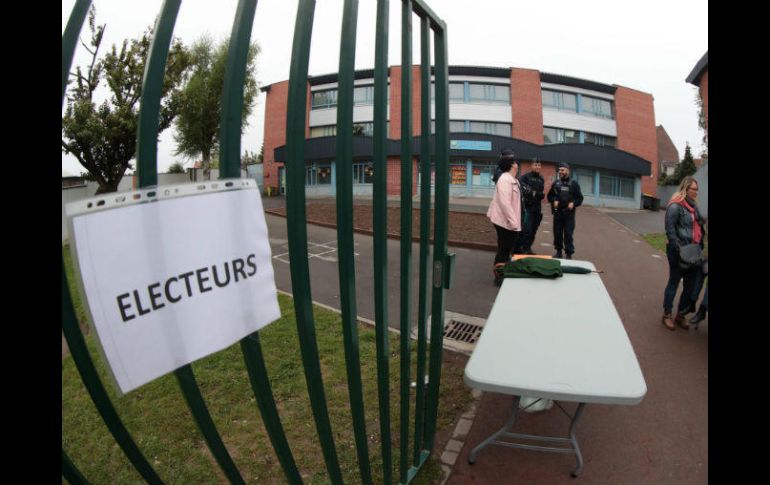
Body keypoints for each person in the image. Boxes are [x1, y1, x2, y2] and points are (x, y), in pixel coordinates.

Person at [661, 176, 706, 331]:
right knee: (674, 282)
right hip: (678, 251)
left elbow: (698, 226)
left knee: (690, 285)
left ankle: (680, 314)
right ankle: (666, 314)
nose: (696, 192)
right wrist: (677, 248)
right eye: (694, 189)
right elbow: (670, 229)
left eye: (697, 190)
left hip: (693, 252)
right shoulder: (675, 206)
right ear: (686, 189)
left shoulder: (694, 206)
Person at [487, 150, 521, 286]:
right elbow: (505, 203)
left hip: (509, 222)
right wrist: (514, 223)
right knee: (503, 250)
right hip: (505, 223)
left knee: (505, 249)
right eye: (515, 162)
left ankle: (503, 272)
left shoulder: (512, 180)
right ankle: (499, 277)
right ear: (513, 165)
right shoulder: (505, 180)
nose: (517, 164)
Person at [547, 162, 583, 259]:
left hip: (569, 214)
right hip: (558, 213)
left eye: (562, 170)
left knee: (568, 234)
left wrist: (573, 203)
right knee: (557, 233)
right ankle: (558, 252)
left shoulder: (574, 184)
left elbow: (580, 198)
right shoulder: (556, 183)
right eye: (559, 170)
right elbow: (549, 196)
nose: (560, 172)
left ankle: (569, 254)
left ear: (568, 170)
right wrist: (554, 200)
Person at [516, 158, 545, 254]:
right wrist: (533, 193)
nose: (537, 167)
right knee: (526, 230)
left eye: (539, 165)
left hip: (537, 208)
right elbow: (522, 189)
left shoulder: (541, 179)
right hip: (527, 208)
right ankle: (520, 248)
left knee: (533, 230)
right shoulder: (525, 177)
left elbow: (541, 195)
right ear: (532, 166)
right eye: (535, 165)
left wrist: (534, 193)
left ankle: (528, 248)